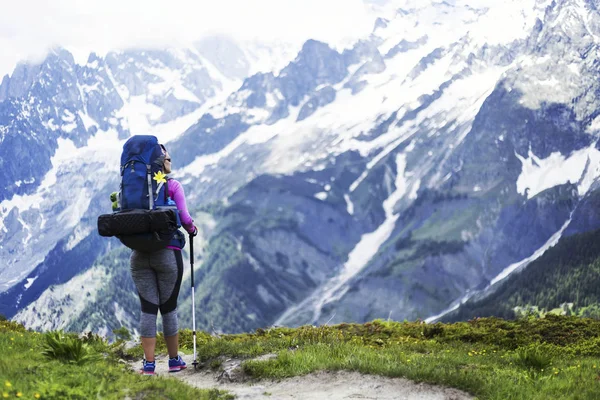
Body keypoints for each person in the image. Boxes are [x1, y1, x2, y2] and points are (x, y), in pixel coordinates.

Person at [130, 144, 197, 375]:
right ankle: (174, 360)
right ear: (161, 161)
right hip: (167, 254)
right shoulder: (172, 186)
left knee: (148, 309)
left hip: (139, 257)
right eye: (167, 156)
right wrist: (192, 229)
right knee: (168, 308)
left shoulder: (135, 190)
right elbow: (185, 218)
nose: (170, 159)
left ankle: (148, 365)